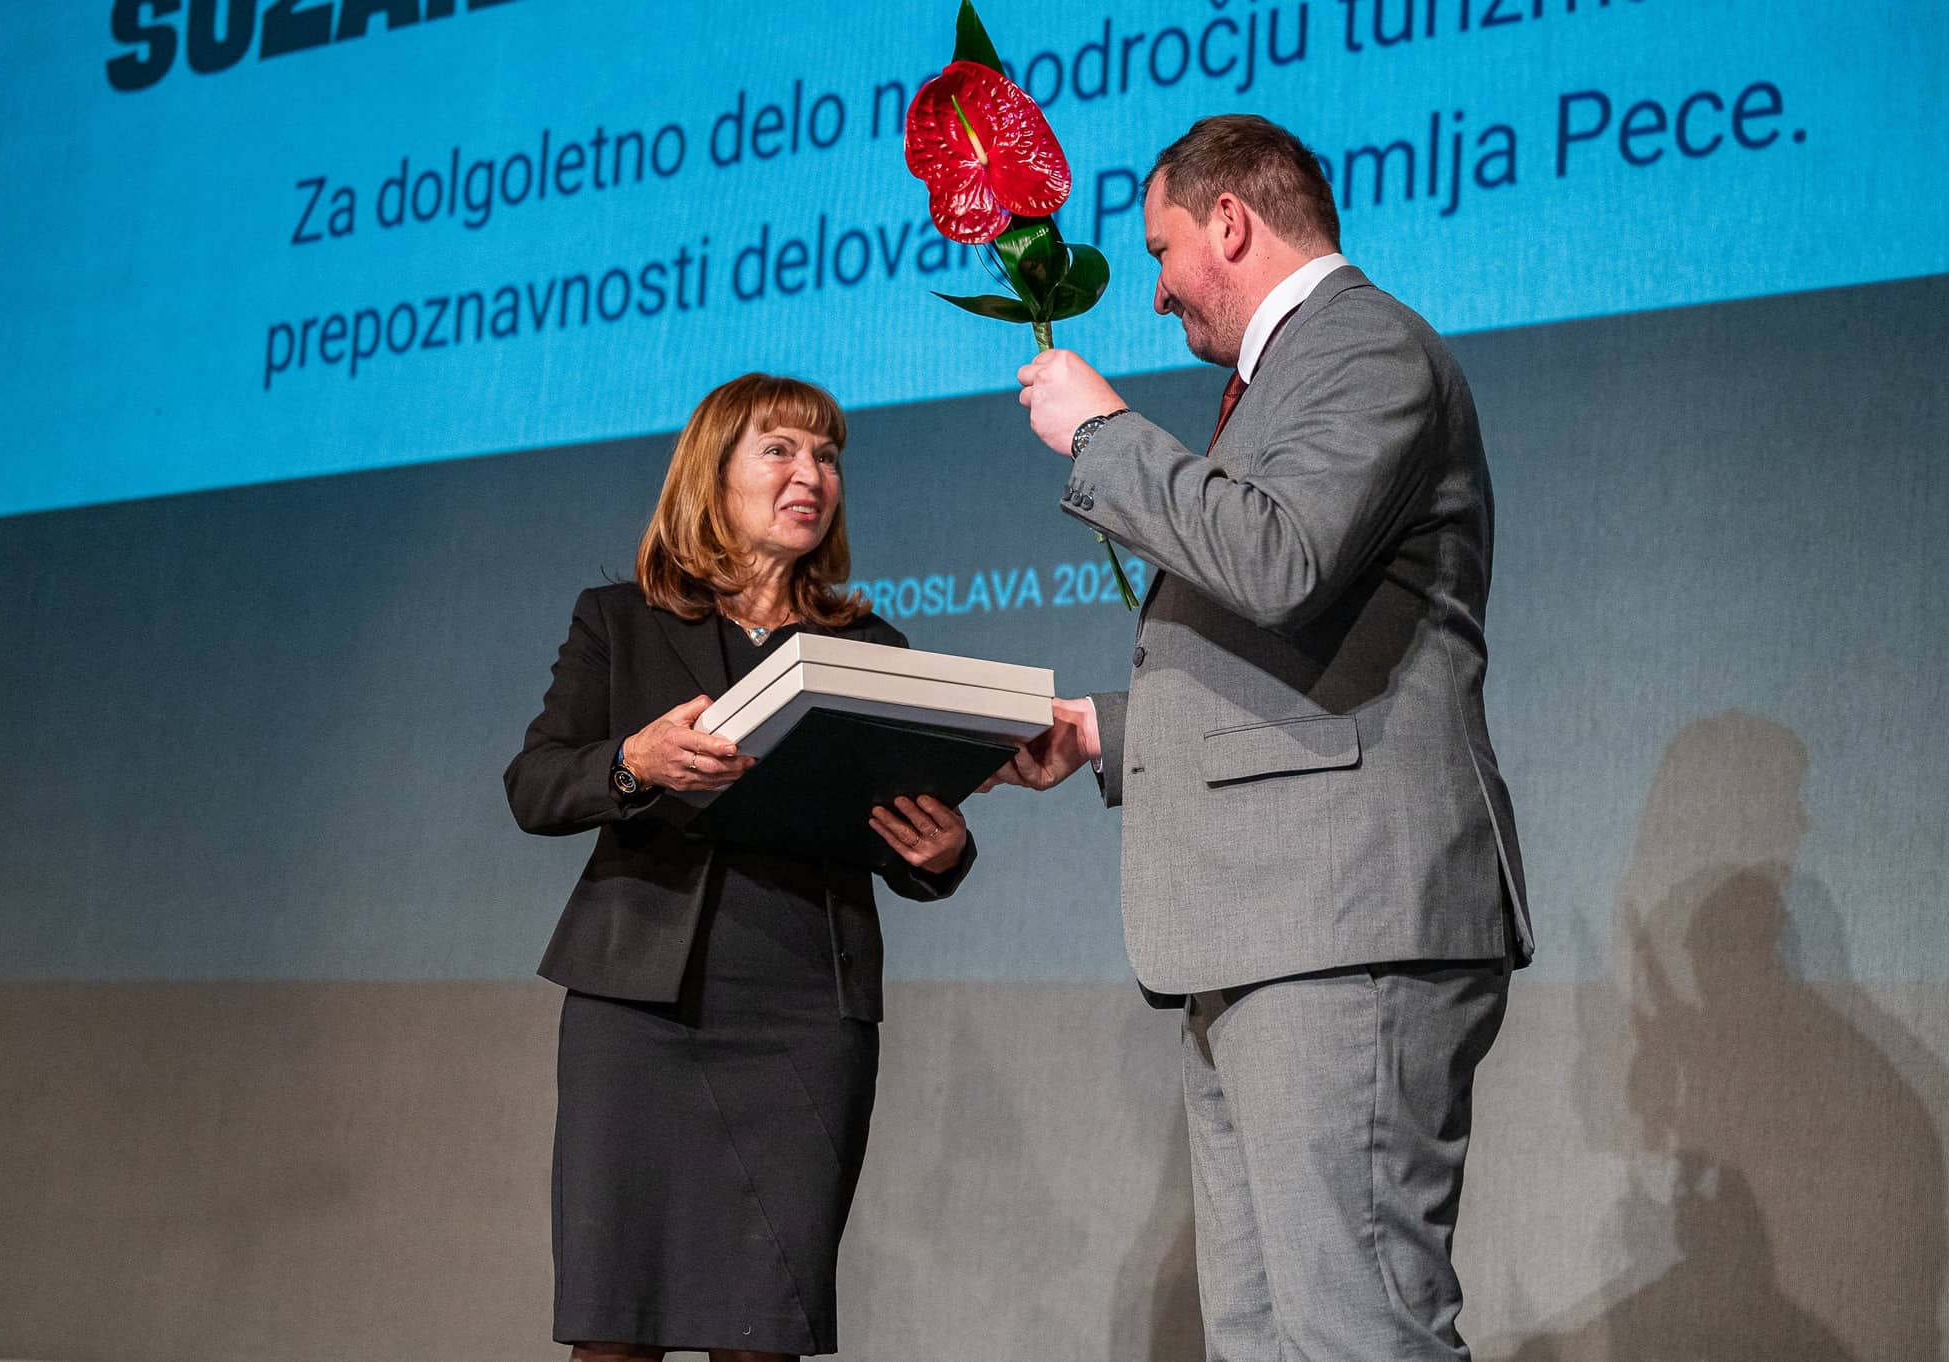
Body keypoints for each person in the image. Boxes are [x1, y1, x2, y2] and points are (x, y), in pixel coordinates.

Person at [995, 115, 1534, 1360]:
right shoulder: (1290, 373)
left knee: (1356, 1332)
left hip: (1341, 920)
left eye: (1161, 249)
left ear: (1228, 222)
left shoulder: (1362, 344)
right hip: (1267, 929)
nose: (1154, 289)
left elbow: (1276, 560)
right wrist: (1099, 730)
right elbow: (1298, 646)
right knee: (1263, 1339)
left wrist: (1103, 434)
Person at [503, 373, 977, 1362]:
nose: (812, 474)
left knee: (762, 1332)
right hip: (638, 1013)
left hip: (804, 1015)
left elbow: (895, 819)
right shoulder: (620, 620)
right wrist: (633, 762)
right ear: (711, 474)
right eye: (780, 450)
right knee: (616, 1332)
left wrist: (943, 853)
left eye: (827, 456)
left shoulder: (871, 647)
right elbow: (535, 785)